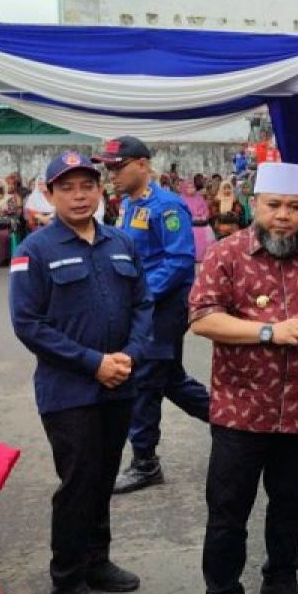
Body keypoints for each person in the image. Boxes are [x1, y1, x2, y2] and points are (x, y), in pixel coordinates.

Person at [188, 162, 298, 594]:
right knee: (228, 512)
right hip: (240, 412)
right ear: (255, 205)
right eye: (274, 205)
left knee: (292, 505)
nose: (283, 217)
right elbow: (203, 320)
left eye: (294, 207)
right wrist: (269, 331)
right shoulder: (225, 255)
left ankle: (280, 584)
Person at [9, 151, 154, 594]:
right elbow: (28, 324)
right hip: (69, 391)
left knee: (104, 475)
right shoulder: (34, 249)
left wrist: (129, 354)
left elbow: (143, 304)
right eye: (67, 187)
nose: (78, 195)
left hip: (121, 382)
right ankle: (67, 580)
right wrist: (93, 363)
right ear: (48, 194)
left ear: (99, 191)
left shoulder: (121, 242)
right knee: (78, 483)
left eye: (86, 186)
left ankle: (97, 560)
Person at [92, 136, 210, 494]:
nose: (110, 174)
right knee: (169, 379)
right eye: (108, 167)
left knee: (146, 382)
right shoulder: (129, 204)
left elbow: (178, 262)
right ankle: (234, 421)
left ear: (142, 165)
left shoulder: (167, 207)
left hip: (162, 311)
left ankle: (145, 462)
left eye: (117, 166)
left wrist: (139, 297)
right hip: (143, 308)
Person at [180, 179, 215, 262]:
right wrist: (191, 218)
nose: (191, 189)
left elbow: (206, 210)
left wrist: (203, 217)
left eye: (192, 187)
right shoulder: (181, 199)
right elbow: (181, 212)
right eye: (188, 187)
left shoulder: (199, 198)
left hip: (202, 224)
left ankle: (206, 256)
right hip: (189, 226)